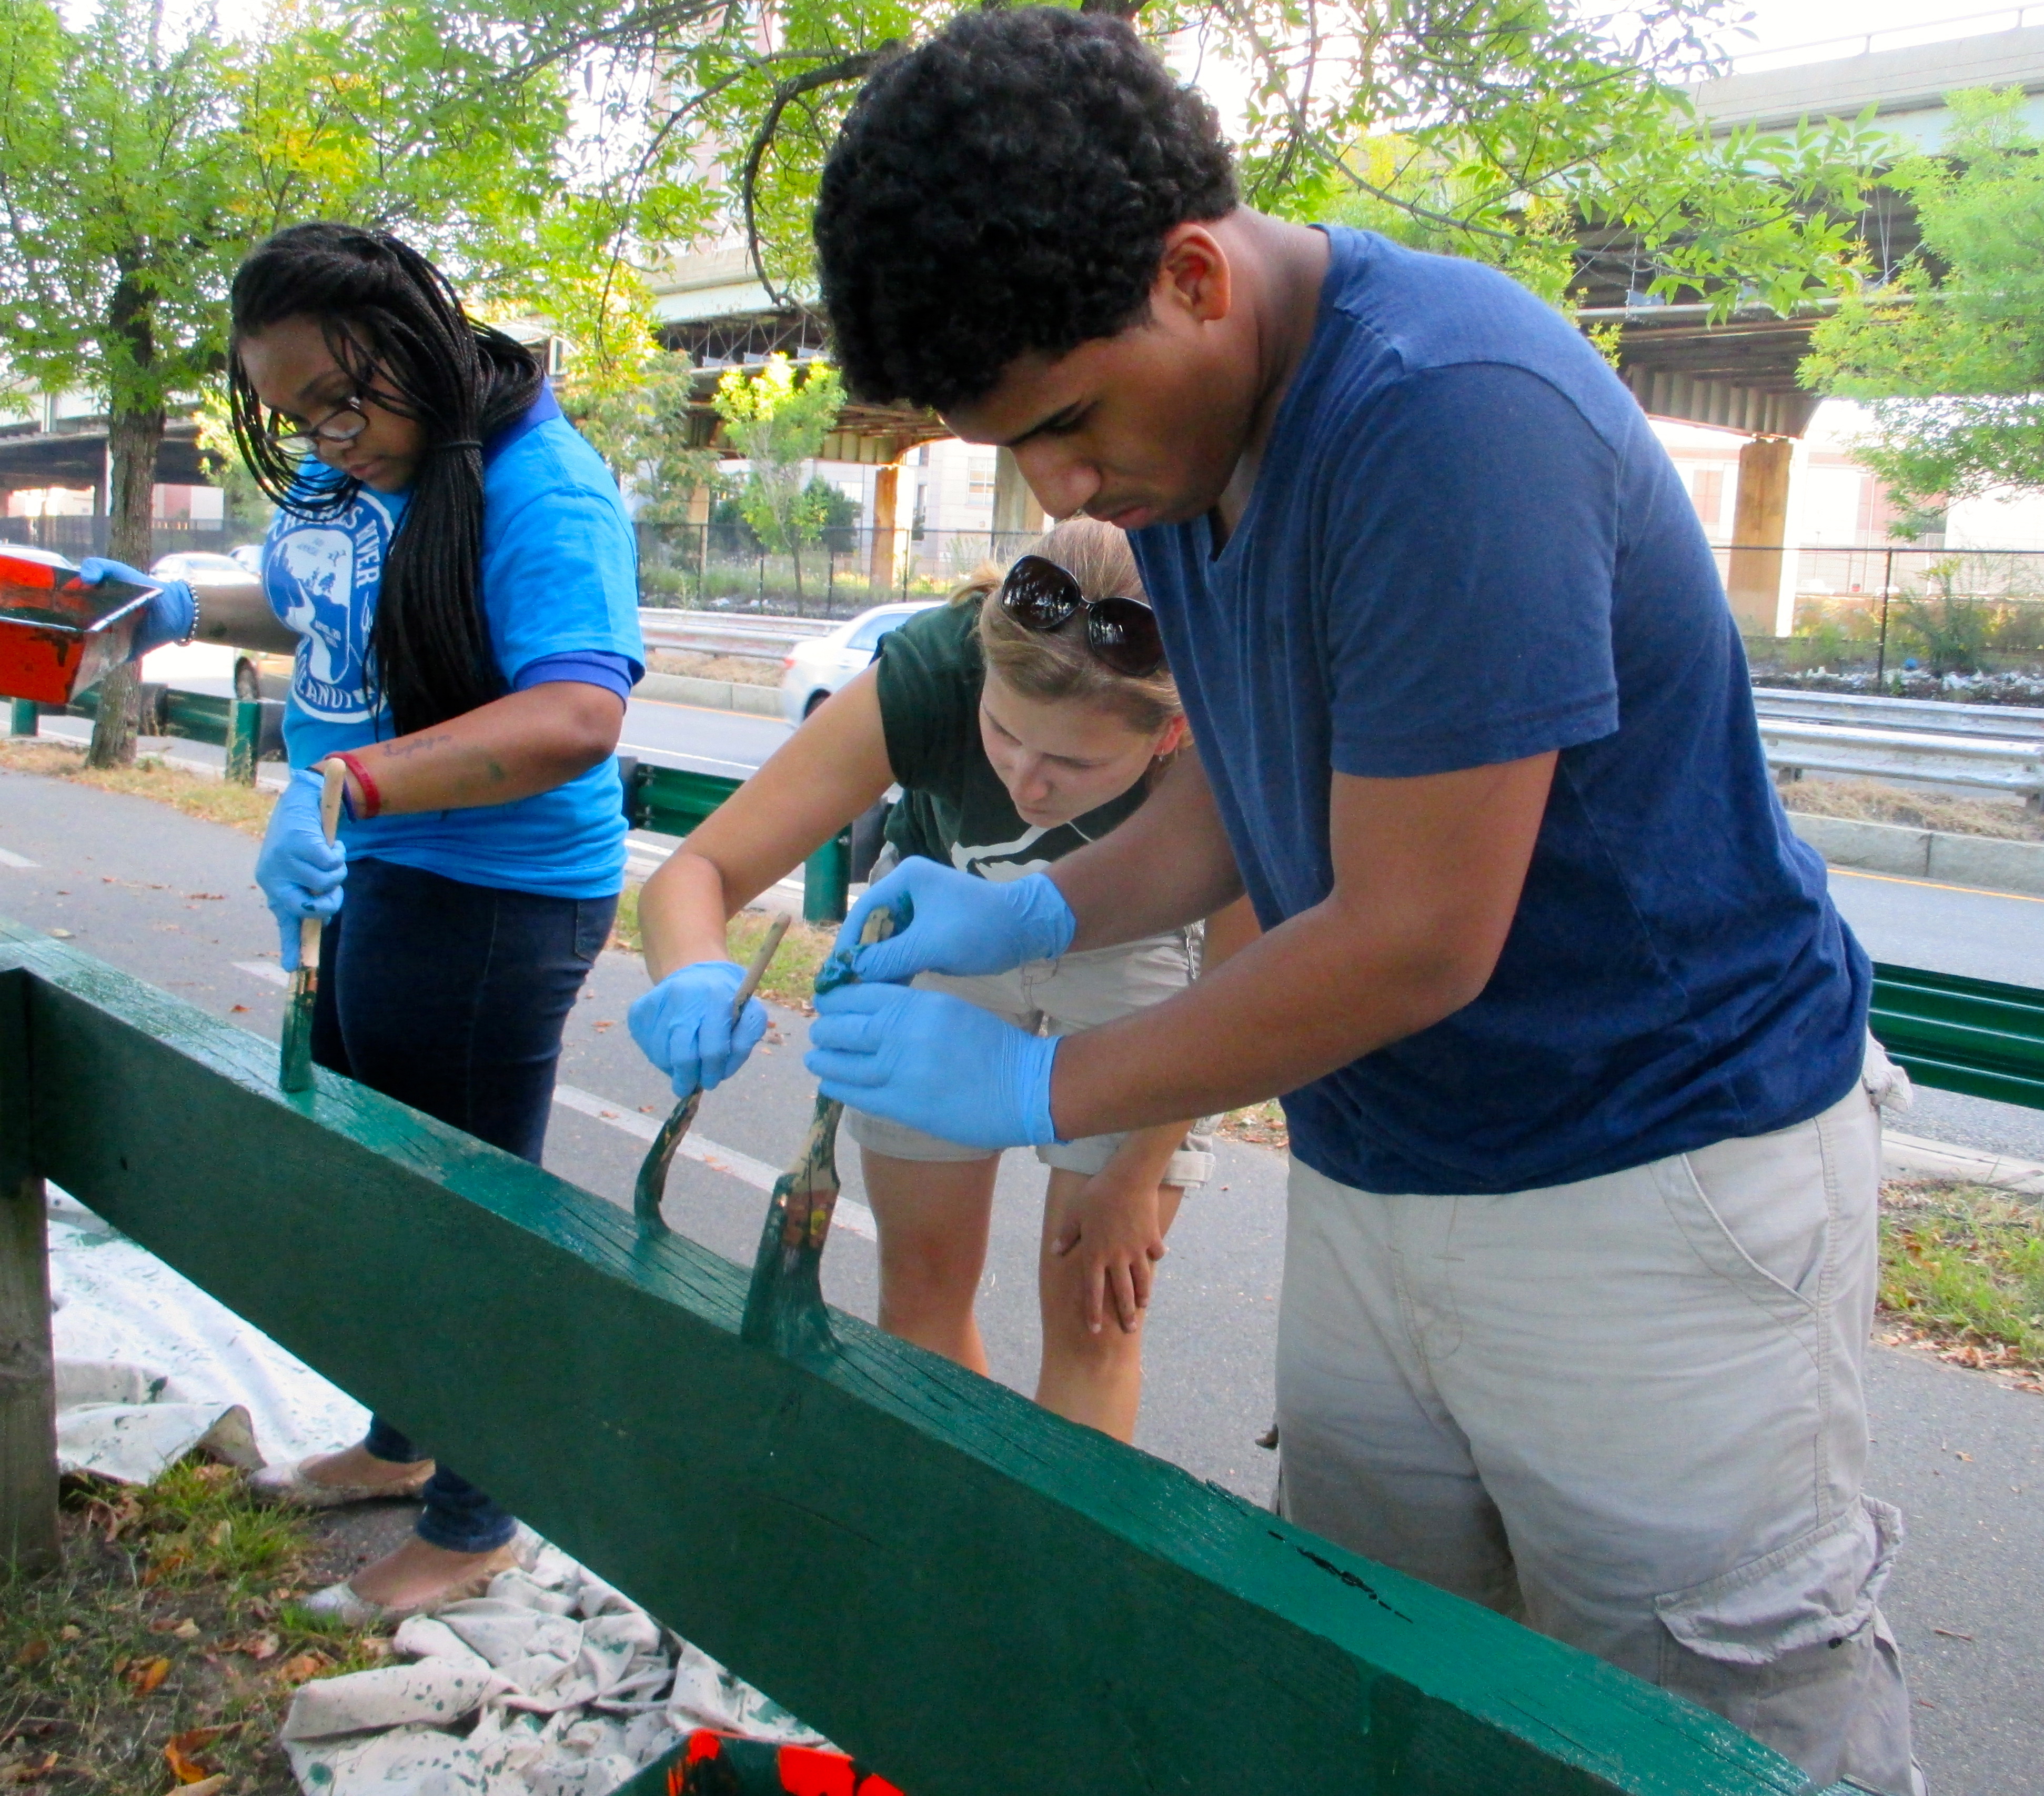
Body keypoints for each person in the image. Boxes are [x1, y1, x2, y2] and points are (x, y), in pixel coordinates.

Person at [800, 11, 1919, 1792]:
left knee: (1706, 1728)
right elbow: (1250, 809)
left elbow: (1409, 929)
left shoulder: (1444, 414)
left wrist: (1038, 1095)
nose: (1061, 489)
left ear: (1190, 273)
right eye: (1016, 448)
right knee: (1387, 1672)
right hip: (1386, 1166)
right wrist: (1022, 908)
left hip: (1650, 1176)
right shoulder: (1180, 441)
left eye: (1067, 424)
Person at [220, 223, 643, 1622]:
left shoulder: (544, 487)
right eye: (297, 419)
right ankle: (403, 1443)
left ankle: (476, 1519)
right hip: (389, 864)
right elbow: (331, 611)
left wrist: (351, 779)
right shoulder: (380, 472)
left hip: (498, 892)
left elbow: (577, 713)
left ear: (418, 336)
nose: (331, 440)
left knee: (465, 1223)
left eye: (345, 400)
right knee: (382, 1180)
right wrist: (171, 599)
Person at [629, 518, 1251, 1440]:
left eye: (1075, 762)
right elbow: (698, 873)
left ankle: (1046, 1578)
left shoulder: (1226, 729)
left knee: (1095, 1311)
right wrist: (689, 975)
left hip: (1140, 951)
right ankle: (957, 1550)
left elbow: (1237, 1004)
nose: (1028, 785)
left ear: (1172, 735)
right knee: (919, 1289)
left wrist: (1136, 1169)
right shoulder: (930, 670)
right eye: (1001, 732)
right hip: (940, 923)